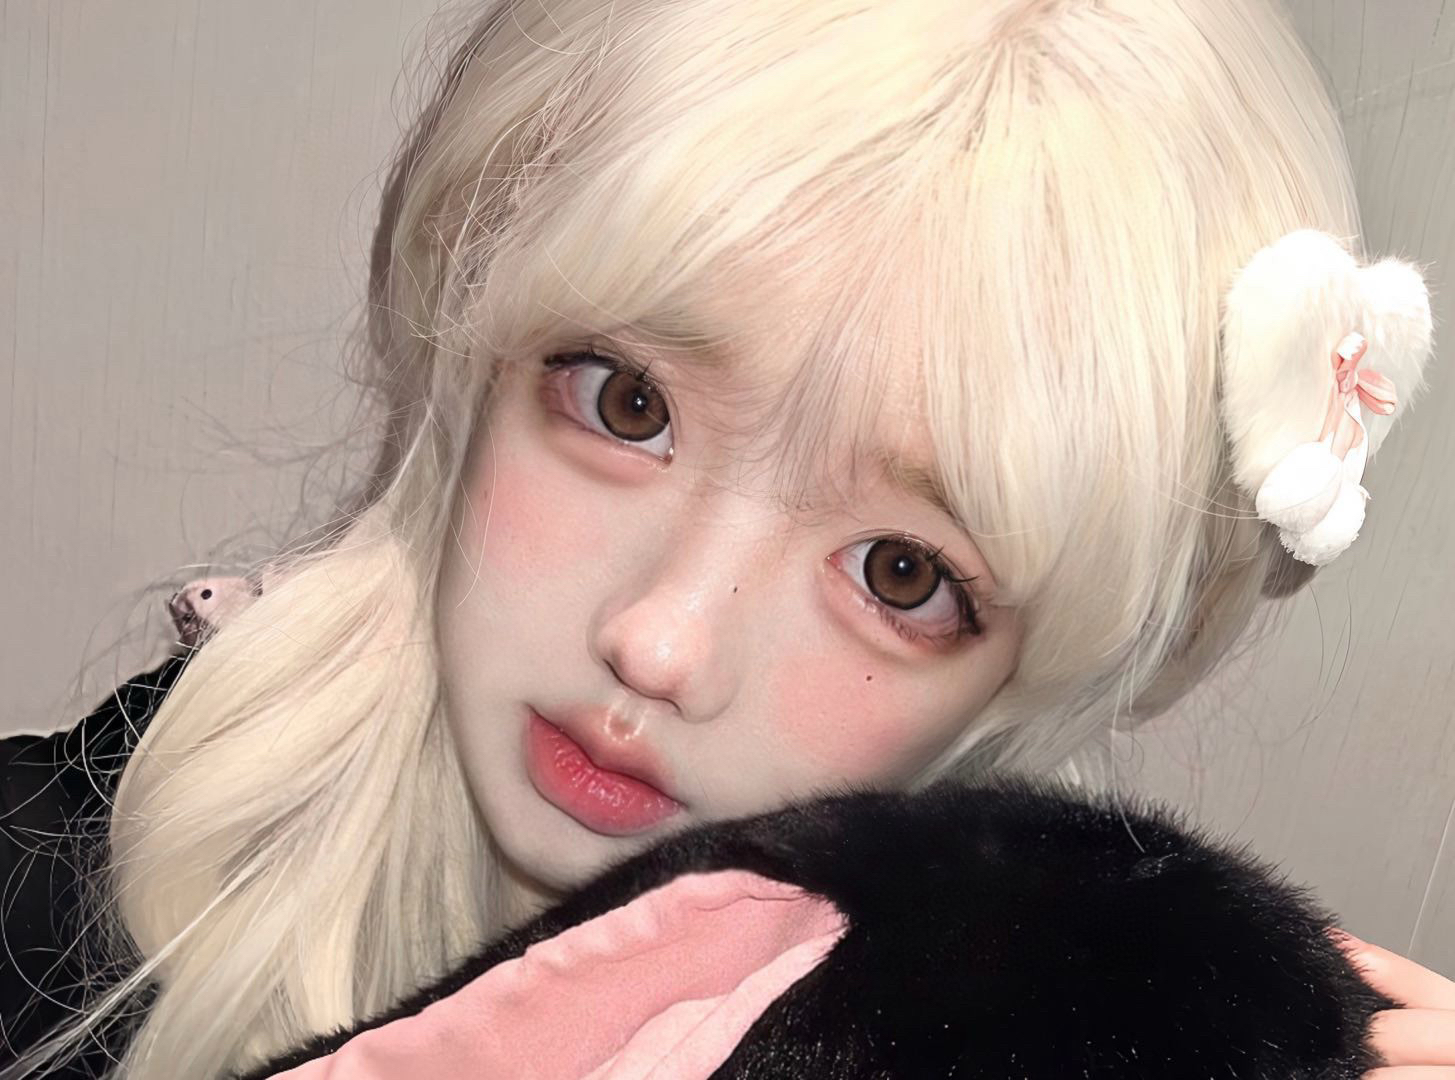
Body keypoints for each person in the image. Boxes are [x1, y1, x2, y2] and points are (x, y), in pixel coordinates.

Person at [1, 0, 1450, 1076]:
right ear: (475, 327)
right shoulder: (40, 892)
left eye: (901, 575)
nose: (662, 641)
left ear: (1040, 661)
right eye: (626, 403)